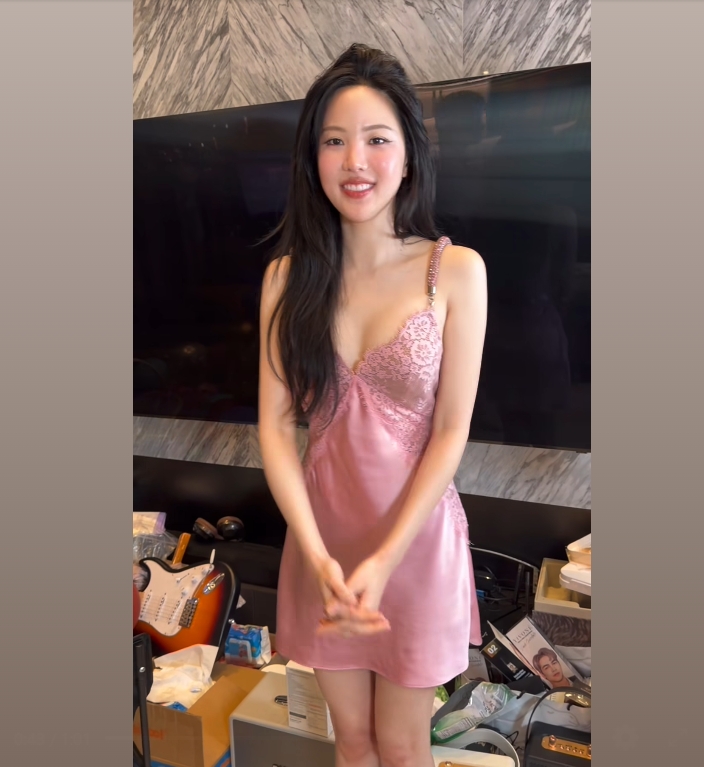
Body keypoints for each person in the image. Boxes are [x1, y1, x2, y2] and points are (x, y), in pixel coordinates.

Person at [258, 43, 487, 767]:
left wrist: (384, 560)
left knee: (404, 746)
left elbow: (451, 430)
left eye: (377, 139)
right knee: (352, 742)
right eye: (334, 141)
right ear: (312, 158)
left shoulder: (454, 271)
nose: (355, 161)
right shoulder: (286, 278)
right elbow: (275, 426)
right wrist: (316, 553)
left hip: (413, 547)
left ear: (409, 155)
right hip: (321, 546)